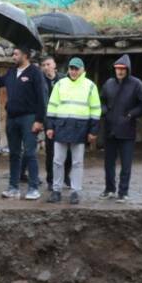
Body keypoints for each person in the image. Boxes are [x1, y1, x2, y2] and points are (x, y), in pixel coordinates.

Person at [0, 48, 46, 200]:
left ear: (26, 55)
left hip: (29, 118)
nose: (13, 56)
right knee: (14, 154)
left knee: (30, 153)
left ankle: (33, 188)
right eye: (13, 54)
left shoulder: (35, 72)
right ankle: (13, 188)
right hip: (12, 118)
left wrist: (39, 120)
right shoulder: (12, 72)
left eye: (16, 54)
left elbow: (42, 98)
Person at [45, 58, 101, 204]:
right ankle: (56, 190)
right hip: (61, 127)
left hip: (80, 129)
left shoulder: (90, 86)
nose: (73, 71)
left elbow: (96, 110)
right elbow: (52, 107)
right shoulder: (60, 84)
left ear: (82, 69)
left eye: (76, 69)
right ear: (68, 69)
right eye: (71, 68)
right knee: (57, 161)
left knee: (77, 162)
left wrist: (93, 131)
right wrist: (50, 127)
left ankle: (75, 192)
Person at [99, 55, 142, 202]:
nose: (120, 71)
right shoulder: (108, 83)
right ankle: (109, 189)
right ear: (114, 69)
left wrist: (131, 114)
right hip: (110, 129)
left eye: (123, 69)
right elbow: (101, 100)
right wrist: (104, 111)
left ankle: (123, 192)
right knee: (108, 162)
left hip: (127, 130)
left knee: (126, 163)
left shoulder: (136, 84)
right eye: (117, 69)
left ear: (127, 70)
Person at [41, 57, 71, 190]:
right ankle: (51, 179)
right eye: (43, 65)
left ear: (54, 66)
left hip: (64, 118)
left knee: (68, 150)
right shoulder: (40, 80)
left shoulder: (64, 79)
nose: (46, 67)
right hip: (49, 118)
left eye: (48, 64)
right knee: (51, 151)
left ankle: (66, 176)